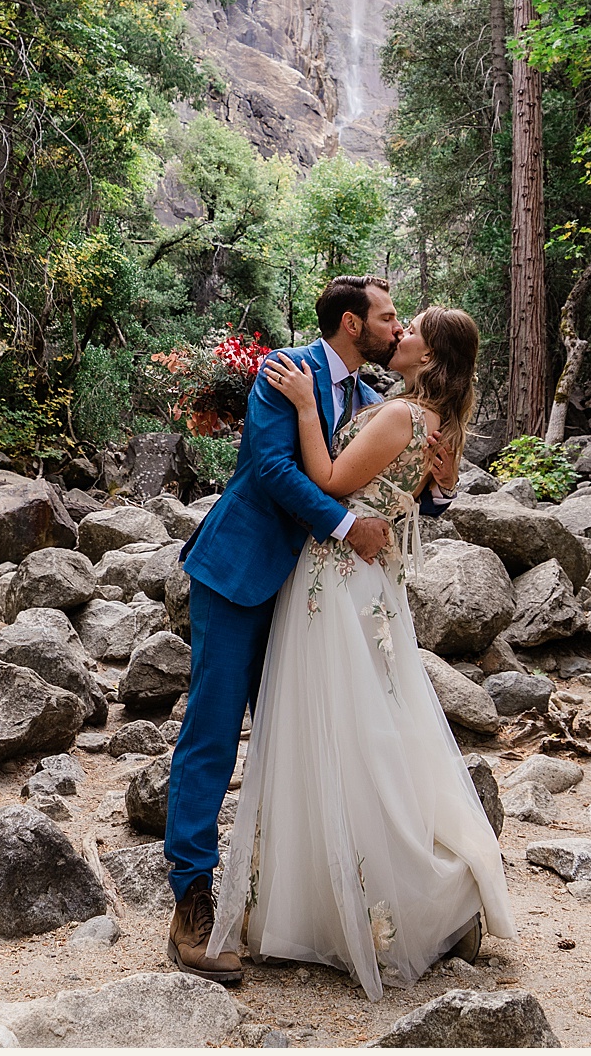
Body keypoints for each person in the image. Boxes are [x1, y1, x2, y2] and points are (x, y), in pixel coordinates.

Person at [206, 304, 514, 1000]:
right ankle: (316, 894)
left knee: (341, 726)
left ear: (430, 359)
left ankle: (352, 901)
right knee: (354, 725)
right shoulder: (418, 416)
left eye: (410, 330)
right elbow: (417, 492)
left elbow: (334, 482)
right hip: (360, 581)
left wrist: (309, 413)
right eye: (392, 320)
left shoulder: (402, 414)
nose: (398, 333)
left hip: (339, 582)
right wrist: (434, 488)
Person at [163, 275, 402, 984]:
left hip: (313, 598)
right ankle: (193, 902)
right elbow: (268, 469)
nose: (398, 327)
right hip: (239, 573)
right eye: (388, 318)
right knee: (211, 735)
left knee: (302, 739)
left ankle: (297, 903)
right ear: (353, 324)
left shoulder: (372, 403)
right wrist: (346, 524)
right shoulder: (285, 371)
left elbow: (384, 480)